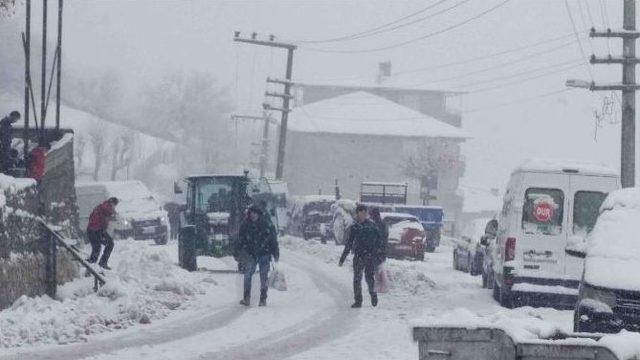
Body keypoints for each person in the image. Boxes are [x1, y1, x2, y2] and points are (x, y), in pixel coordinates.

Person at [339, 204, 384, 308]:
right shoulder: (355, 227)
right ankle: (358, 301)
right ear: (357, 213)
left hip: (370, 257)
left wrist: (379, 255)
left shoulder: (372, 226)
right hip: (359, 256)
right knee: (357, 279)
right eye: (360, 212)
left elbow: (379, 242)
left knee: (369, 278)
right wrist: (343, 258)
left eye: (364, 212)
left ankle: (373, 294)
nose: (363, 215)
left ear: (366, 213)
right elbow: (349, 243)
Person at [235, 204, 279, 307]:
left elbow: (273, 239)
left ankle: (263, 298)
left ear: (259, 214)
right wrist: (238, 253)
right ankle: (246, 298)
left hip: (264, 253)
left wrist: (275, 252)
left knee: (263, 277)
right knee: (247, 275)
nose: (253, 215)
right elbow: (240, 240)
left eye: (255, 213)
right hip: (251, 254)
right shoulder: (245, 225)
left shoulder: (266, 225)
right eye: (251, 213)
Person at [86, 197, 119, 270]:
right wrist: (113, 215)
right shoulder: (107, 207)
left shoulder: (101, 206)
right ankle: (93, 266)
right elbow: (109, 214)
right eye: (115, 205)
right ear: (112, 203)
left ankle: (93, 265)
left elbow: (95, 216)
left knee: (100, 247)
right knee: (100, 247)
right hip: (95, 231)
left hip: (95, 230)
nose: (114, 207)